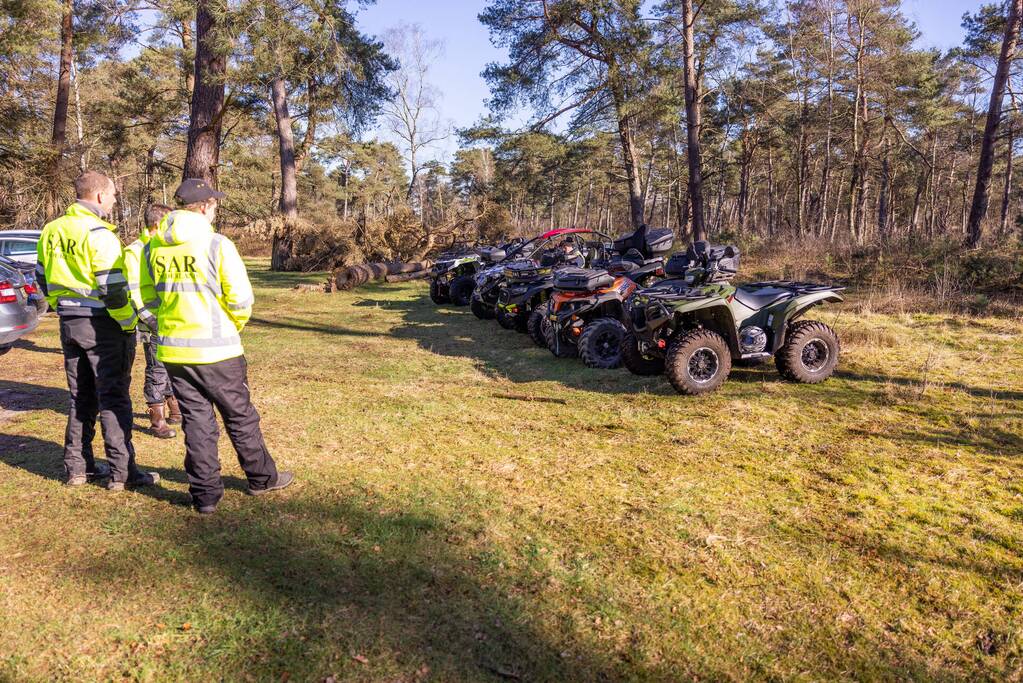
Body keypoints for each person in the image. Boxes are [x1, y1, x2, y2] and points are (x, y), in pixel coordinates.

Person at [138, 178, 293, 515]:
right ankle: (262, 478)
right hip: (218, 352)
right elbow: (241, 299)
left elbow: (147, 298)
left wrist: (164, 325)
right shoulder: (217, 244)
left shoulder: (152, 248)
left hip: (175, 353)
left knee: (196, 421)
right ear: (206, 206)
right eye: (215, 204)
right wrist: (230, 328)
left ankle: (205, 496)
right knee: (240, 417)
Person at [35, 170, 160, 490]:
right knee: (114, 398)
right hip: (103, 325)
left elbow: (41, 277)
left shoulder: (52, 230)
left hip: (70, 323)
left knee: (81, 398)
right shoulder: (99, 233)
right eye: (114, 194)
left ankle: (79, 468)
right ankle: (123, 473)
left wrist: (61, 304)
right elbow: (114, 289)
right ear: (100, 196)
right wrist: (127, 322)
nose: (116, 199)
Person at [124, 203, 179, 439]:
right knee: (156, 368)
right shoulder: (135, 251)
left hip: (171, 318)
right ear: (157, 225)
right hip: (152, 320)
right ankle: (157, 419)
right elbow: (133, 291)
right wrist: (149, 318)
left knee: (171, 365)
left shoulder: (163, 248)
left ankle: (174, 407)